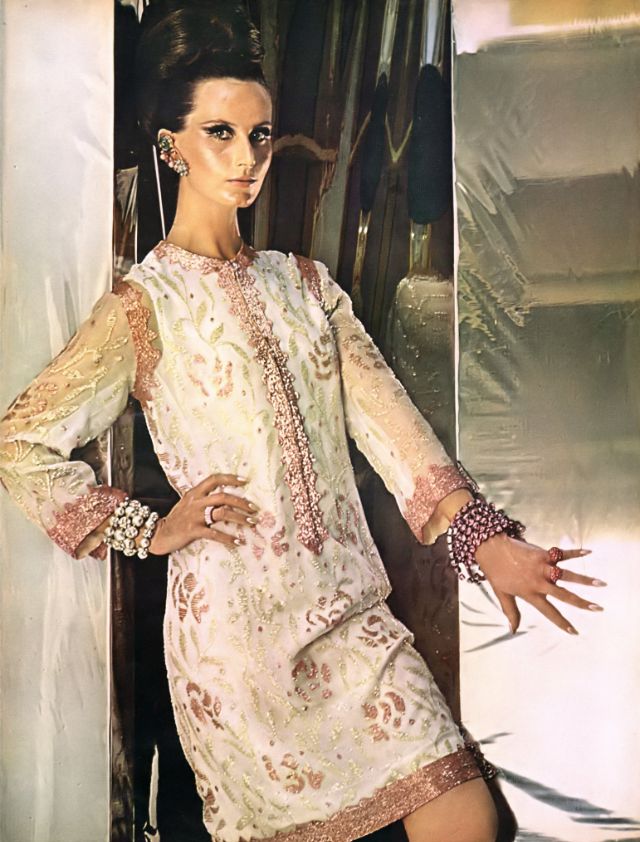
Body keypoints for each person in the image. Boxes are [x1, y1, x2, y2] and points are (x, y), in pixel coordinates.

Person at [0, 5, 605, 842]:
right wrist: (149, 528)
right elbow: (21, 444)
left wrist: (481, 538)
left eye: (259, 135)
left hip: (354, 621)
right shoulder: (144, 308)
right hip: (235, 646)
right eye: (219, 133)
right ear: (172, 146)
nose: (246, 157)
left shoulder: (309, 287)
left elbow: (395, 431)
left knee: (467, 815)